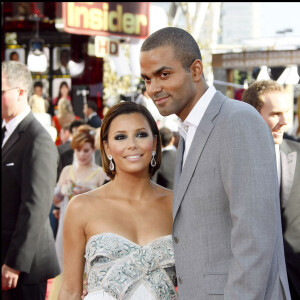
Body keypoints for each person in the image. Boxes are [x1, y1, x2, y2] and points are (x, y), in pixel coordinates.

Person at [139, 27, 291, 299]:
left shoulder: (237, 120)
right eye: (147, 79)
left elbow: (254, 238)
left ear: (195, 70)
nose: (153, 88)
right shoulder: (189, 130)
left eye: (164, 74)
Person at [58, 102, 177, 300]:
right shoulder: (81, 207)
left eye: (141, 134)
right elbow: (70, 291)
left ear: (155, 142)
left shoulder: (177, 204)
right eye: (121, 137)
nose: (132, 144)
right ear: (107, 148)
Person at [1, 61, 60, 299]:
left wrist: (15, 262)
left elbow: (35, 207)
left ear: (21, 92)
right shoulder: (7, 133)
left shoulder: (38, 140)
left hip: (24, 267)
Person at [242, 80, 300, 300]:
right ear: (251, 115)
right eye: (276, 114)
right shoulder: (230, 161)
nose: (285, 122)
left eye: (286, 113)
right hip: (250, 282)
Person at [50, 125, 108, 299]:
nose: (82, 154)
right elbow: (55, 200)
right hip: (65, 225)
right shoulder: (67, 170)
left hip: (91, 228)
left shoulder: (100, 173)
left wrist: (90, 192)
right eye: (78, 150)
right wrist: (63, 190)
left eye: (86, 150)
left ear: (92, 150)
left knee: (86, 266)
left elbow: (106, 206)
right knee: (64, 266)